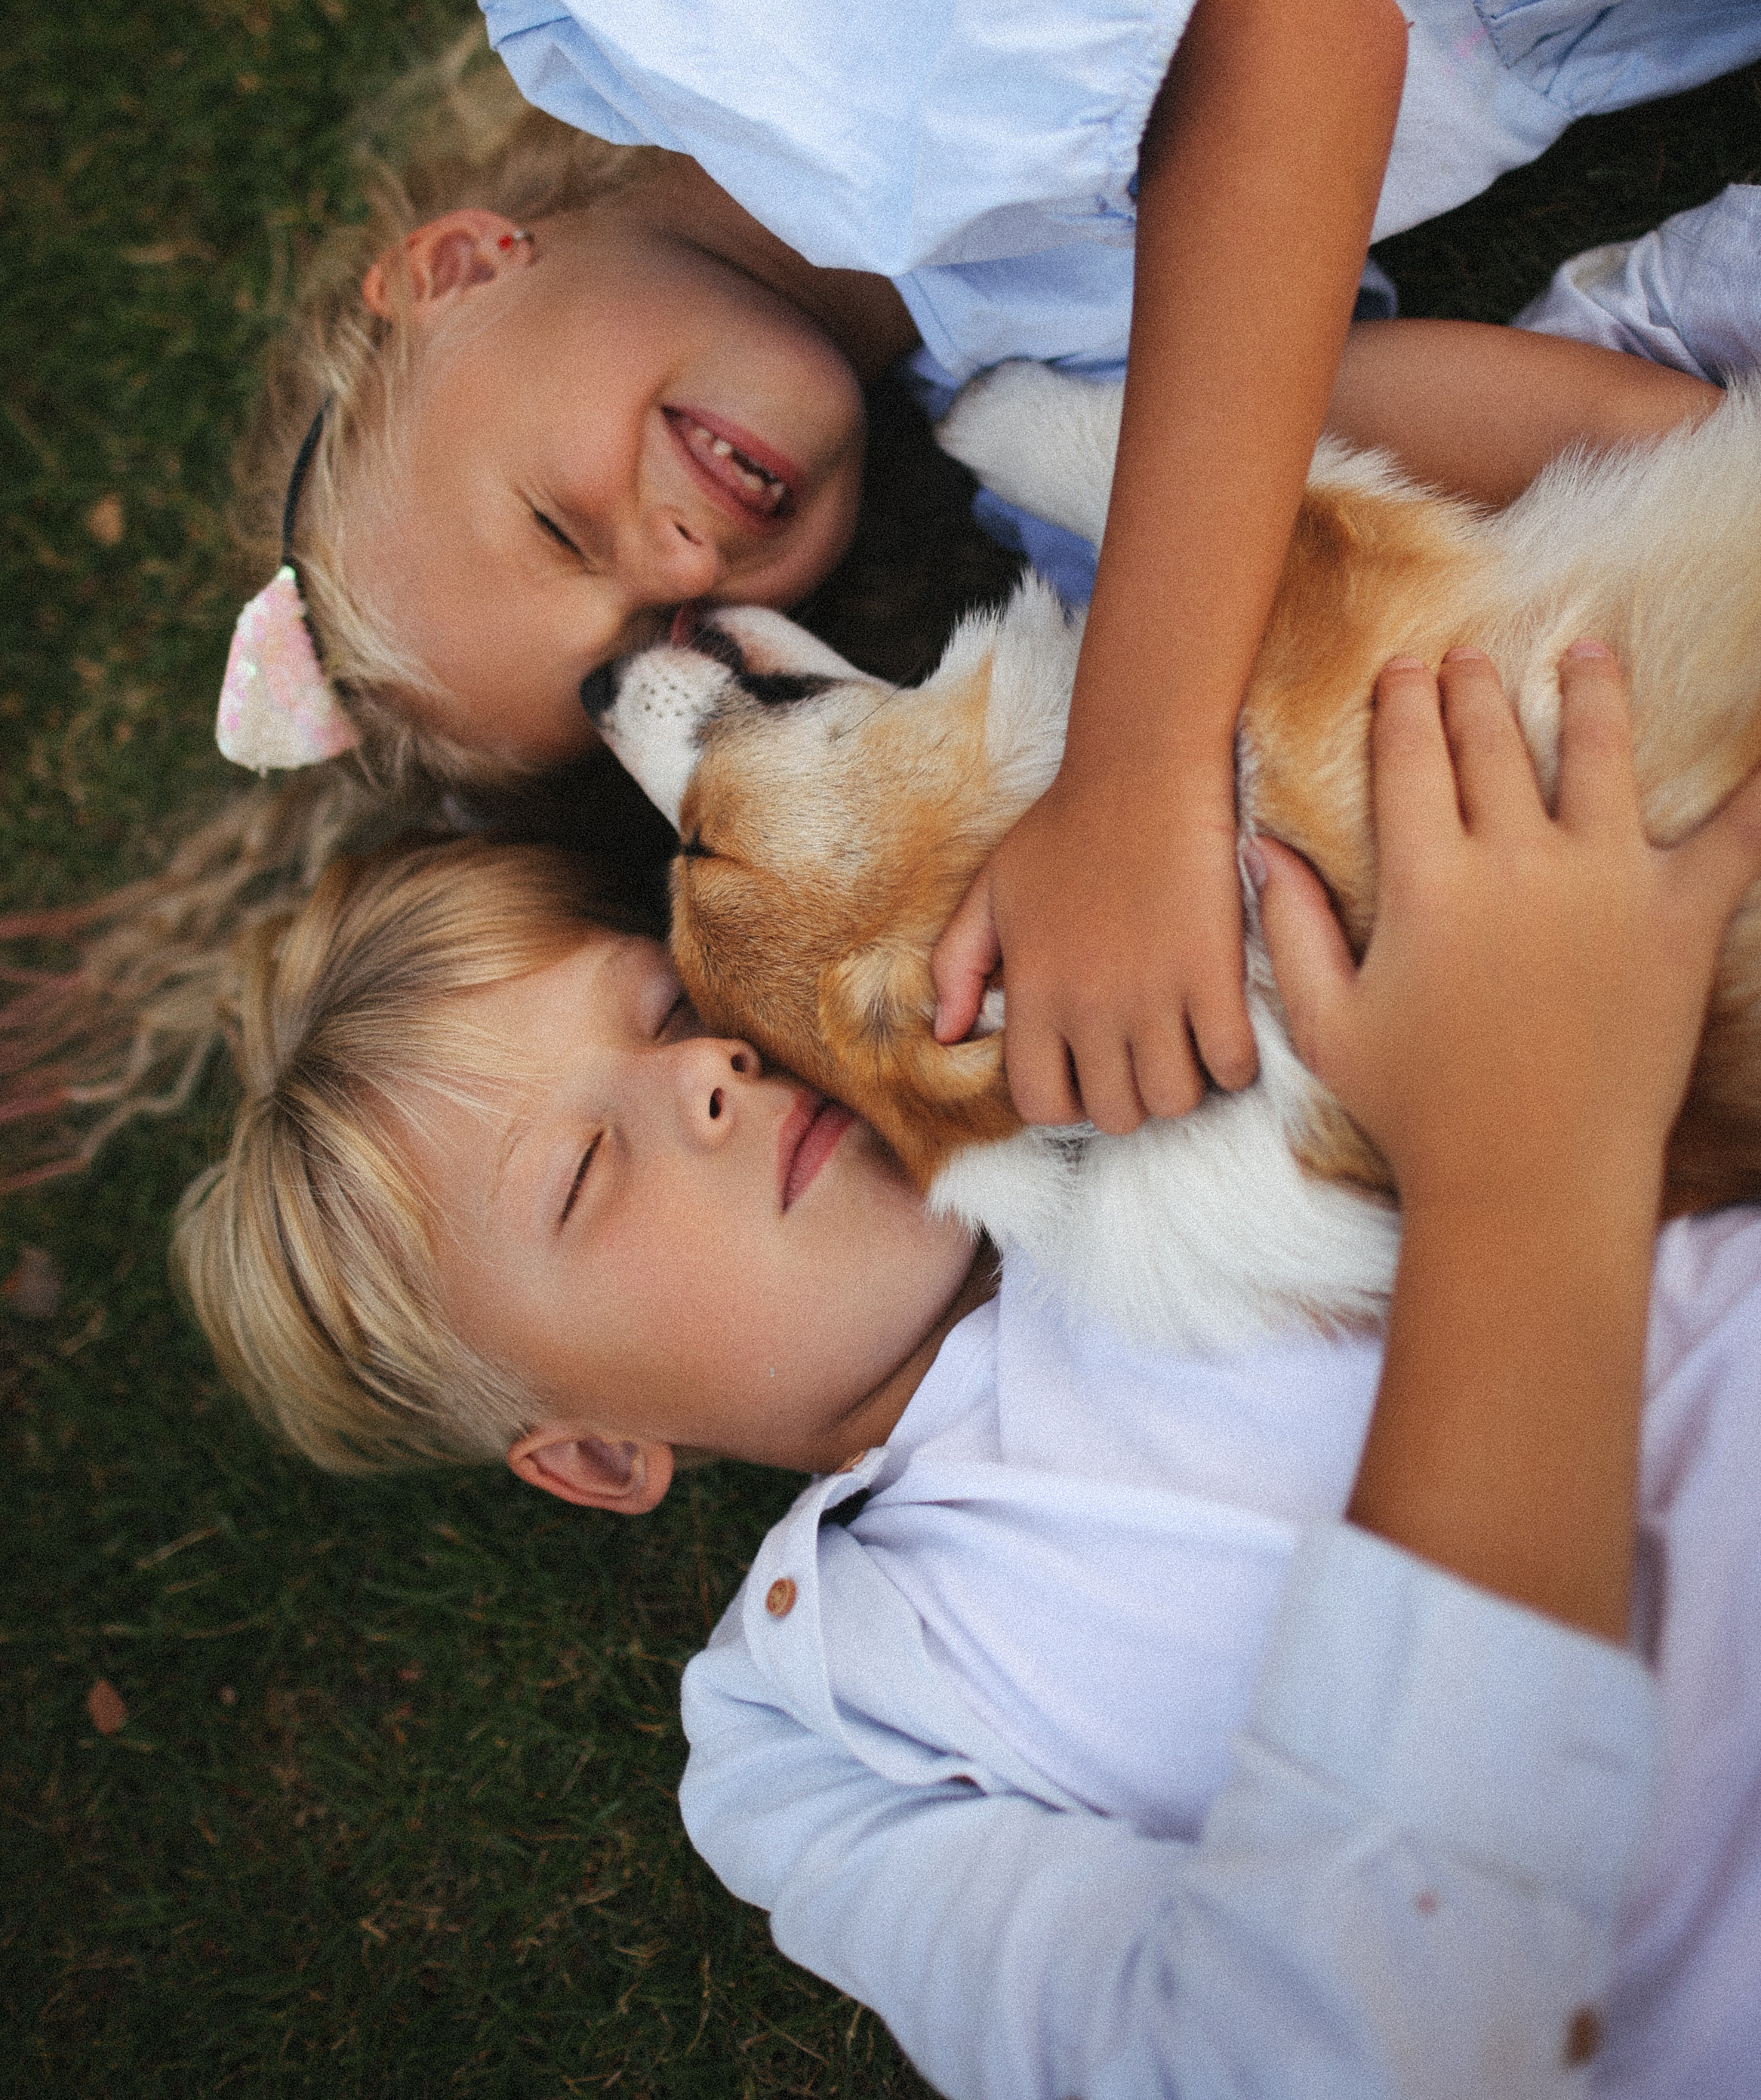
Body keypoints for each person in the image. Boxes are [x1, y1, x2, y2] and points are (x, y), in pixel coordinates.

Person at [237, 0, 1759, 1150]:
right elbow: (1406, 455)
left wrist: (1139, 766)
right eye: (661, 644)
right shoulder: (1035, 402)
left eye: (552, 519)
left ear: (457, 268)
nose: (675, 563)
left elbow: (1285, 51)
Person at [172, 642, 1761, 2095]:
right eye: (585, 1173)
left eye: (663, 1007)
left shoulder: (1125, 982)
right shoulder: (814, 1738)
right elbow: (1297, 2058)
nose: (708, 1075)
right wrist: (1527, 1177)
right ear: (593, 1456)